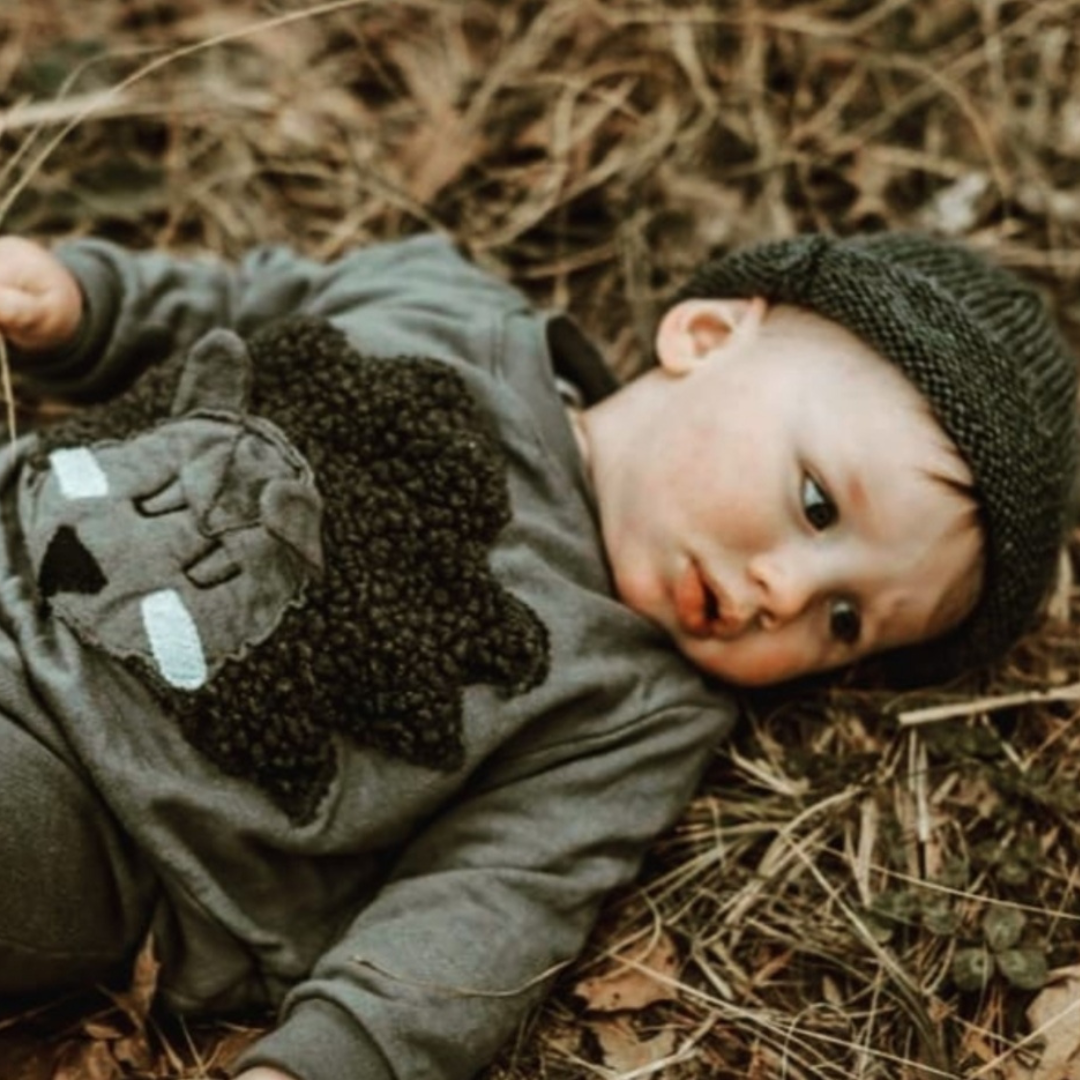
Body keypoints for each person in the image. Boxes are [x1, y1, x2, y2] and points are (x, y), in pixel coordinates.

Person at [0, 227, 1073, 1080]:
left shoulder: (635, 710)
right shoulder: (442, 301)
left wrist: (336, 1057)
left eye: (844, 622)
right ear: (703, 336)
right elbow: (240, 307)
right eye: (815, 502)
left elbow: (494, 903)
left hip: (89, 810)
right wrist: (86, 304)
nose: (784, 592)